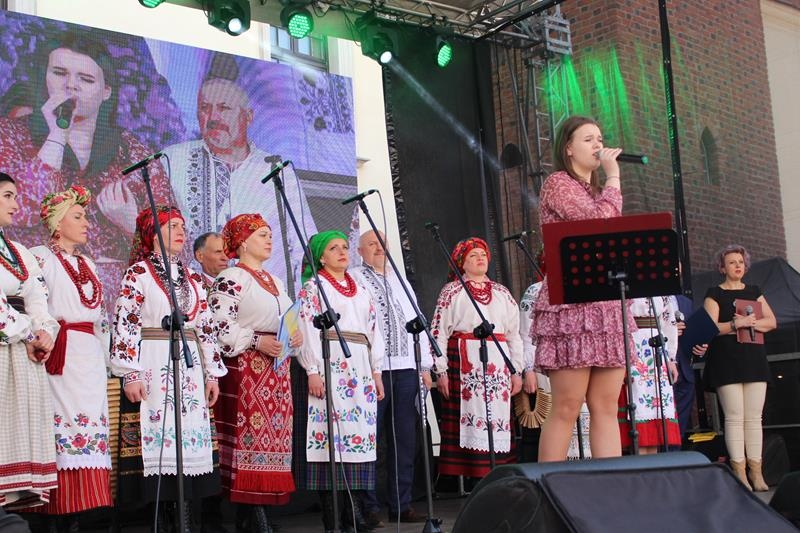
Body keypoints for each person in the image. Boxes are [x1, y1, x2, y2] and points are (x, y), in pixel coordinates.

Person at [0, 33, 171, 314]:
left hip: (122, 311)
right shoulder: (11, 135)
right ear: (45, 78)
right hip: (38, 305)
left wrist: (132, 224)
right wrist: (57, 136)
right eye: (59, 73)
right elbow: (20, 211)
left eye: (86, 79)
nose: (71, 85)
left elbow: (176, 246)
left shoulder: (133, 153)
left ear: (106, 91)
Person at [109, 205, 227, 528]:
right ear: (152, 234)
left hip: (188, 365)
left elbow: (205, 327)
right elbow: (126, 323)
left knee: (188, 439)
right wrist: (130, 373)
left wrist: (212, 373)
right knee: (158, 439)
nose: (180, 232)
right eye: (171, 226)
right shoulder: (138, 274)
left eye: (182, 226)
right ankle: (162, 520)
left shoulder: (192, 277)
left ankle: (186, 519)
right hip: (153, 359)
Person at [162, 55, 316, 294]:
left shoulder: (276, 169)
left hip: (266, 301)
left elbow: (303, 245)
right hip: (196, 302)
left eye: (224, 108)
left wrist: (300, 304)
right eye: (205, 108)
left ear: (248, 116)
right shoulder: (172, 160)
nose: (213, 118)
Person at [531, 115, 634, 462]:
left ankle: (611, 484)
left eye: (600, 139)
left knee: (606, 405)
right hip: (572, 304)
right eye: (588, 139)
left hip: (605, 304)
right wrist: (614, 178)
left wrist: (609, 185)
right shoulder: (558, 184)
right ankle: (550, 484)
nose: (598, 145)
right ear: (569, 148)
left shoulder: (597, 193)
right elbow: (597, 222)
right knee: (567, 405)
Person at [209, 214, 303, 532]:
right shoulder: (231, 277)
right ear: (243, 242)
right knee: (248, 439)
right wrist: (256, 341)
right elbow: (218, 327)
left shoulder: (275, 281)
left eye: (269, 234)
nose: (269, 239)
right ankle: (252, 515)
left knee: (272, 441)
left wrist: (294, 337)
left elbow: (287, 320)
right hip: (247, 369)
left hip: (276, 372)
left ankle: (255, 515)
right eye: (262, 234)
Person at [29, 186, 112, 529]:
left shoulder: (87, 263)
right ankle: (53, 515)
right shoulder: (39, 257)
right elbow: (33, 304)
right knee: (61, 426)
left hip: (88, 355)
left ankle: (80, 515)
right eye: (78, 217)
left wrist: (106, 360)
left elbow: (100, 318)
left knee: (90, 428)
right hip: (59, 354)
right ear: (57, 223)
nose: (87, 223)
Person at [295, 231, 385, 533]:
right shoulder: (313, 288)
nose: (342, 252)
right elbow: (306, 328)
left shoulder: (361, 289)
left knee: (357, 437)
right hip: (330, 363)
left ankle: (354, 510)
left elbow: (373, 331)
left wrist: (376, 371)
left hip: (360, 368)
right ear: (321, 257)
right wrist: (312, 370)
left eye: (345, 247)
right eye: (334, 248)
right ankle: (334, 516)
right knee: (330, 440)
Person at [351, 230, 432, 526]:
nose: (379, 248)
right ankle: (368, 507)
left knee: (405, 439)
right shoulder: (355, 279)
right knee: (369, 438)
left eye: (382, 243)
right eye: (372, 244)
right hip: (372, 369)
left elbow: (417, 321)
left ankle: (401, 504)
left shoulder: (400, 280)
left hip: (406, 367)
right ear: (360, 251)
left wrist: (425, 366)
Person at [430, 237, 524, 478]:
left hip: (498, 364)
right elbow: (439, 332)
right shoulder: (452, 291)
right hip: (464, 362)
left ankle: (498, 473)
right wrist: (441, 370)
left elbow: (514, 335)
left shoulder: (502, 293)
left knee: (497, 419)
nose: (480, 258)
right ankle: (472, 476)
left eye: (483, 254)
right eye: (473, 255)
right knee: (469, 416)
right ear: (462, 262)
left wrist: (516, 370)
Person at [0, 173, 59, 510]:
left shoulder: (19, 251)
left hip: (23, 356)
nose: (15, 204)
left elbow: (38, 298)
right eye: (8, 195)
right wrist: (28, 334)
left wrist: (45, 332)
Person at [703, 244, 776, 491]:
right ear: (722, 267)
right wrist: (736, 325)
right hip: (726, 360)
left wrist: (750, 323)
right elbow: (709, 328)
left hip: (753, 358)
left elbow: (771, 321)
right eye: (732, 262)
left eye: (741, 262)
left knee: (754, 417)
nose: (737, 266)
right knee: (734, 417)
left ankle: (757, 472)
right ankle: (739, 472)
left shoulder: (754, 291)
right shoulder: (714, 293)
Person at [617, 297, 681, 454]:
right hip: (631, 342)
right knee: (635, 401)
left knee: (657, 408)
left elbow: (668, 320)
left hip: (657, 344)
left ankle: (653, 460)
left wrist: (671, 358)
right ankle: (639, 460)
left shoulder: (658, 288)